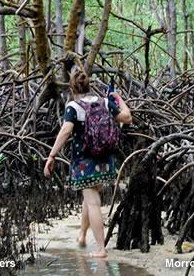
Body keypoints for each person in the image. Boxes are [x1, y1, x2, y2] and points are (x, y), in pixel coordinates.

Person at [44, 70, 132, 258]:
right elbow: (127, 118)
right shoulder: (105, 102)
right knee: (90, 196)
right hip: (105, 161)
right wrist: (117, 98)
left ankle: (101, 249)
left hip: (84, 162)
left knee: (93, 202)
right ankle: (82, 235)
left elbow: (66, 130)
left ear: (72, 88)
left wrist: (52, 156)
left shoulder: (73, 107)